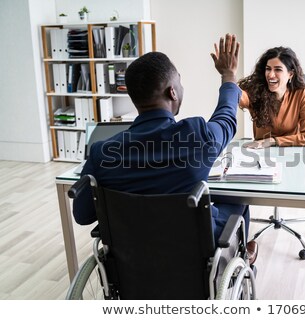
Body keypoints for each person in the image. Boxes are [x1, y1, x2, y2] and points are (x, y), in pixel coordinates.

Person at [73, 34, 258, 264]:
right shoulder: (194, 136)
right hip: (192, 259)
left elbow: (82, 215)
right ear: (172, 91)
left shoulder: (103, 153)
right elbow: (226, 119)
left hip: (132, 264)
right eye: (179, 82)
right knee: (238, 200)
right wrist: (228, 75)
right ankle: (241, 261)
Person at [238, 47, 305, 148]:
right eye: (268, 69)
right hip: (261, 155)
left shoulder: (300, 94)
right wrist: (228, 74)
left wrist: (273, 141)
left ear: (290, 74)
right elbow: (234, 96)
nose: (271, 75)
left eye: (278, 69)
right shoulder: (255, 92)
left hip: (292, 154)